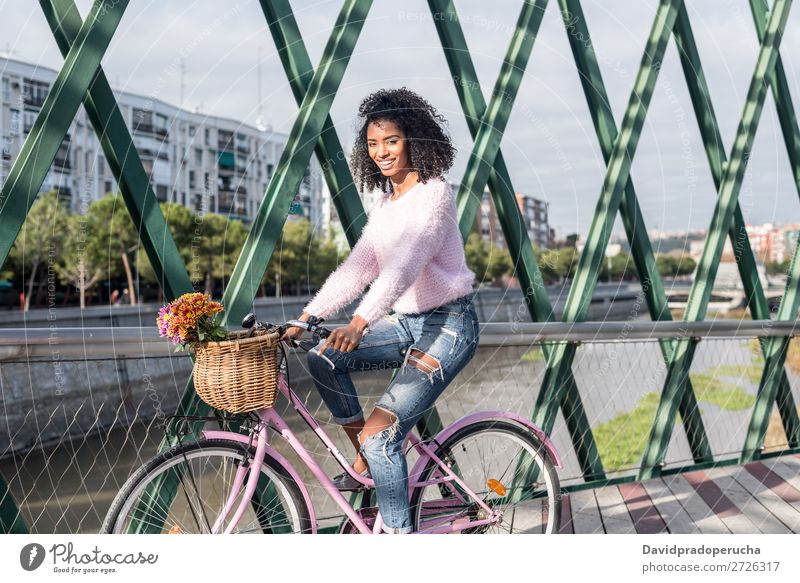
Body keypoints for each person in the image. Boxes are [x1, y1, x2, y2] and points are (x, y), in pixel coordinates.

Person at [281, 87, 480, 534]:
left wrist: (359, 321)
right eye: (372, 144)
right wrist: (307, 317)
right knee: (323, 357)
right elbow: (359, 267)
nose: (381, 152)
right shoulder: (388, 205)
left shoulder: (434, 194)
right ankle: (370, 459)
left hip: (448, 326)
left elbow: (406, 265)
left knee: (382, 434)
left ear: (414, 140)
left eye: (391, 140)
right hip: (407, 324)